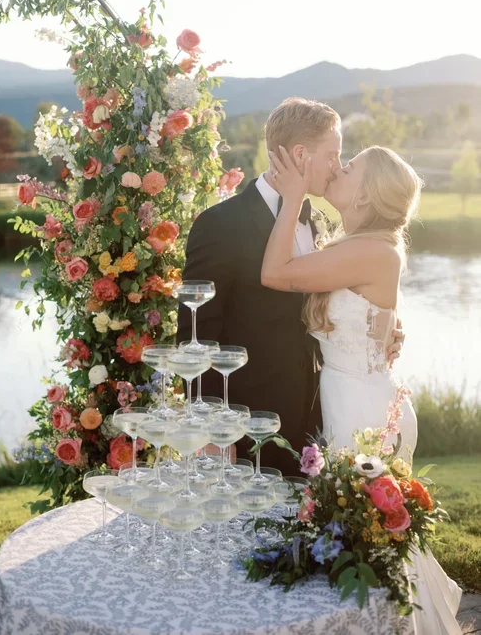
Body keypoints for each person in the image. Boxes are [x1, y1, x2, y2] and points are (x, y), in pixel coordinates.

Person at [261, 143, 462, 634]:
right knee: (370, 540)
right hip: (355, 394)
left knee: (369, 543)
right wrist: (392, 325)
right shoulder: (364, 246)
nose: (338, 167)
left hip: (363, 409)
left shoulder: (371, 249)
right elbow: (366, 312)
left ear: (367, 196)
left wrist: (289, 198)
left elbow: (274, 274)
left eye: (349, 168)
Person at [177, 98, 403, 474]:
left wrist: (381, 329)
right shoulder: (221, 224)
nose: (335, 168)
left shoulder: (315, 220)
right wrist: (213, 431)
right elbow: (195, 334)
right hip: (247, 423)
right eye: (333, 155)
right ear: (301, 154)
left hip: (318, 416)